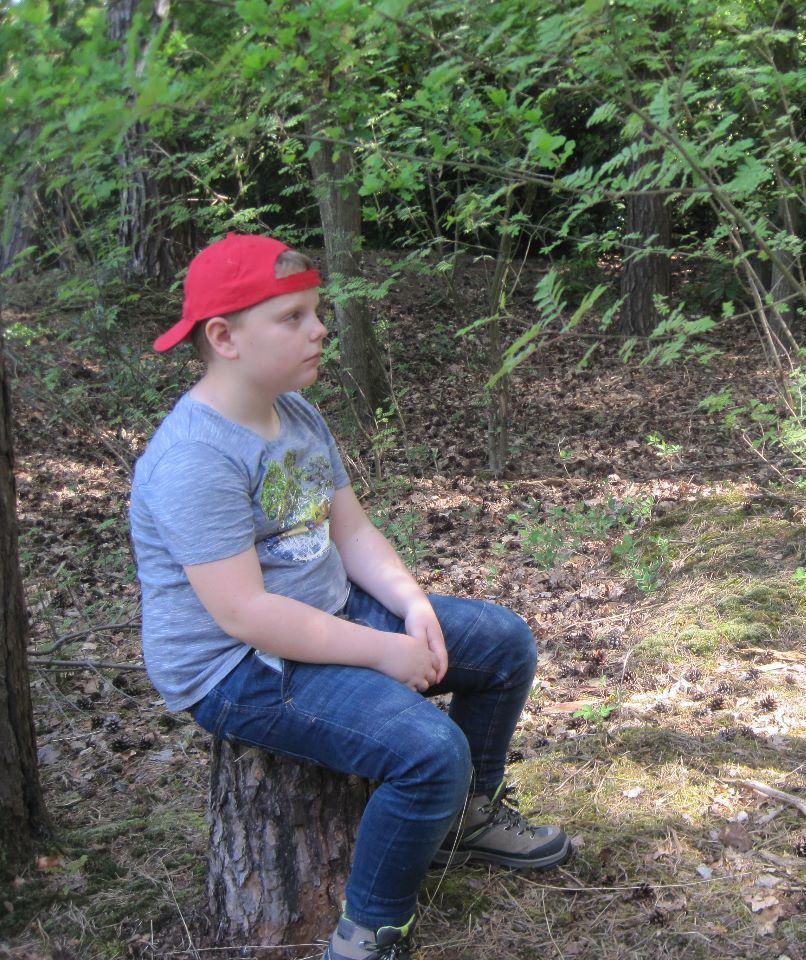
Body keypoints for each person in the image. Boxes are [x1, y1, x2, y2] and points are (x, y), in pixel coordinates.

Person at [129, 233, 570, 960]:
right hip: (237, 666)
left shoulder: (296, 414)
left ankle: (463, 822)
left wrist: (412, 605)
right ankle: (368, 933)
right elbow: (245, 613)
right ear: (223, 336)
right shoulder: (195, 458)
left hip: (324, 610)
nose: (320, 329)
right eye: (294, 317)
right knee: (431, 752)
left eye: (317, 312)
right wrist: (384, 652)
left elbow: (355, 533)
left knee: (502, 644)